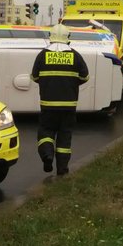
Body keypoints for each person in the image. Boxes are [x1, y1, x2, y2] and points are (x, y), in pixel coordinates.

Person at [30, 23, 90, 175]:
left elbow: (34, 77)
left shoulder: (42, 55)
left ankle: (47, 155)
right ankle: (62, 169)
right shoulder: (75, 55)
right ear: (67, 38)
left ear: (51, 37)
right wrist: (72, 83)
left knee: (46, 131)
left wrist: (47, 82)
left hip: (48, 105)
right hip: (69, 106)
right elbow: (85, 76)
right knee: (65, 137)